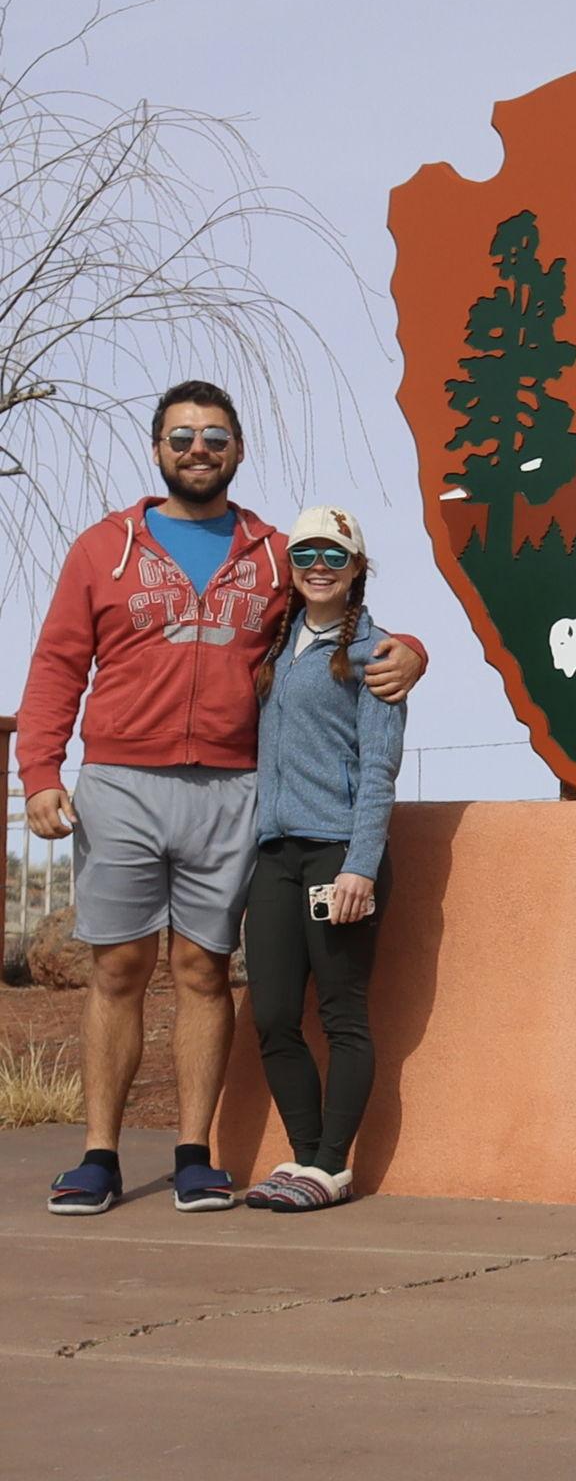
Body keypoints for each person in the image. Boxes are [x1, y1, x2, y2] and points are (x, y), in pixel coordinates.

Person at [18, 382, 426, 1216]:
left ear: (237, 450)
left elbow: (342, 612)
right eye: (181, 437)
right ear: (158, 448)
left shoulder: (275, 553)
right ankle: (99, 1155)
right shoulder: (105, 547)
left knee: (204, 969)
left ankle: (195, 1154)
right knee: (119, 966)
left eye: (214, 437)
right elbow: (59, 663)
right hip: (124, 781)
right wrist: (40, 773)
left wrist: (411, 650)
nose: (197, 449)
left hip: (231, 789)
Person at [241, 507, 399, 1211]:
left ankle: (332, 1166)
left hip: (338, 854)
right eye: (305, 554)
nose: (318, 567)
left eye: (335, 556)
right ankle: (303, 1159)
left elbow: (377, 771)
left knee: (342, 1016)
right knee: (273, 1015)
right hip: (273, 857)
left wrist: (360, 866)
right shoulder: (274, 647)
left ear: (358, 569)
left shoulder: (378, 653)